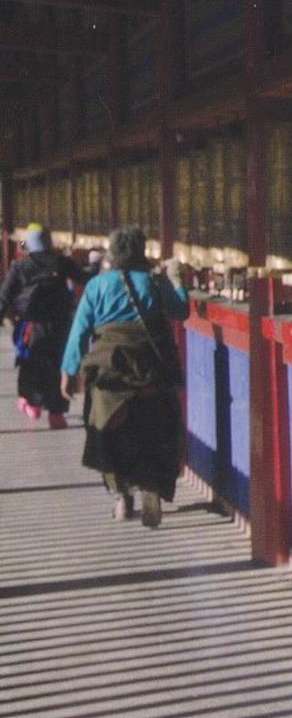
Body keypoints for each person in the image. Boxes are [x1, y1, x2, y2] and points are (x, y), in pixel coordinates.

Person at [60, 226, 190, 527]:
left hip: (110, 374)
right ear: (141, 252)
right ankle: (152, 486)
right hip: (150, 371)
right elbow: (180, 311)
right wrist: (176, 280)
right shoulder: (154, 283)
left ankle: (121, 498)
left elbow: (80, 331)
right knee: (156, 432)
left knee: (107, 432)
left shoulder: (96, 286)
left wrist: (68, 371)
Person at [0, 223, 89, 428]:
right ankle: (57, 414)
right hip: (60, 326)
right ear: (48, 240)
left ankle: (32, 402)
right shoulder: (62, 263)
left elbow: (4, 298)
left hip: (31, 327)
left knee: (30, 364)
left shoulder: (21, 266)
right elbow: (84, 278)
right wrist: (96, 266)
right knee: (59, 365)